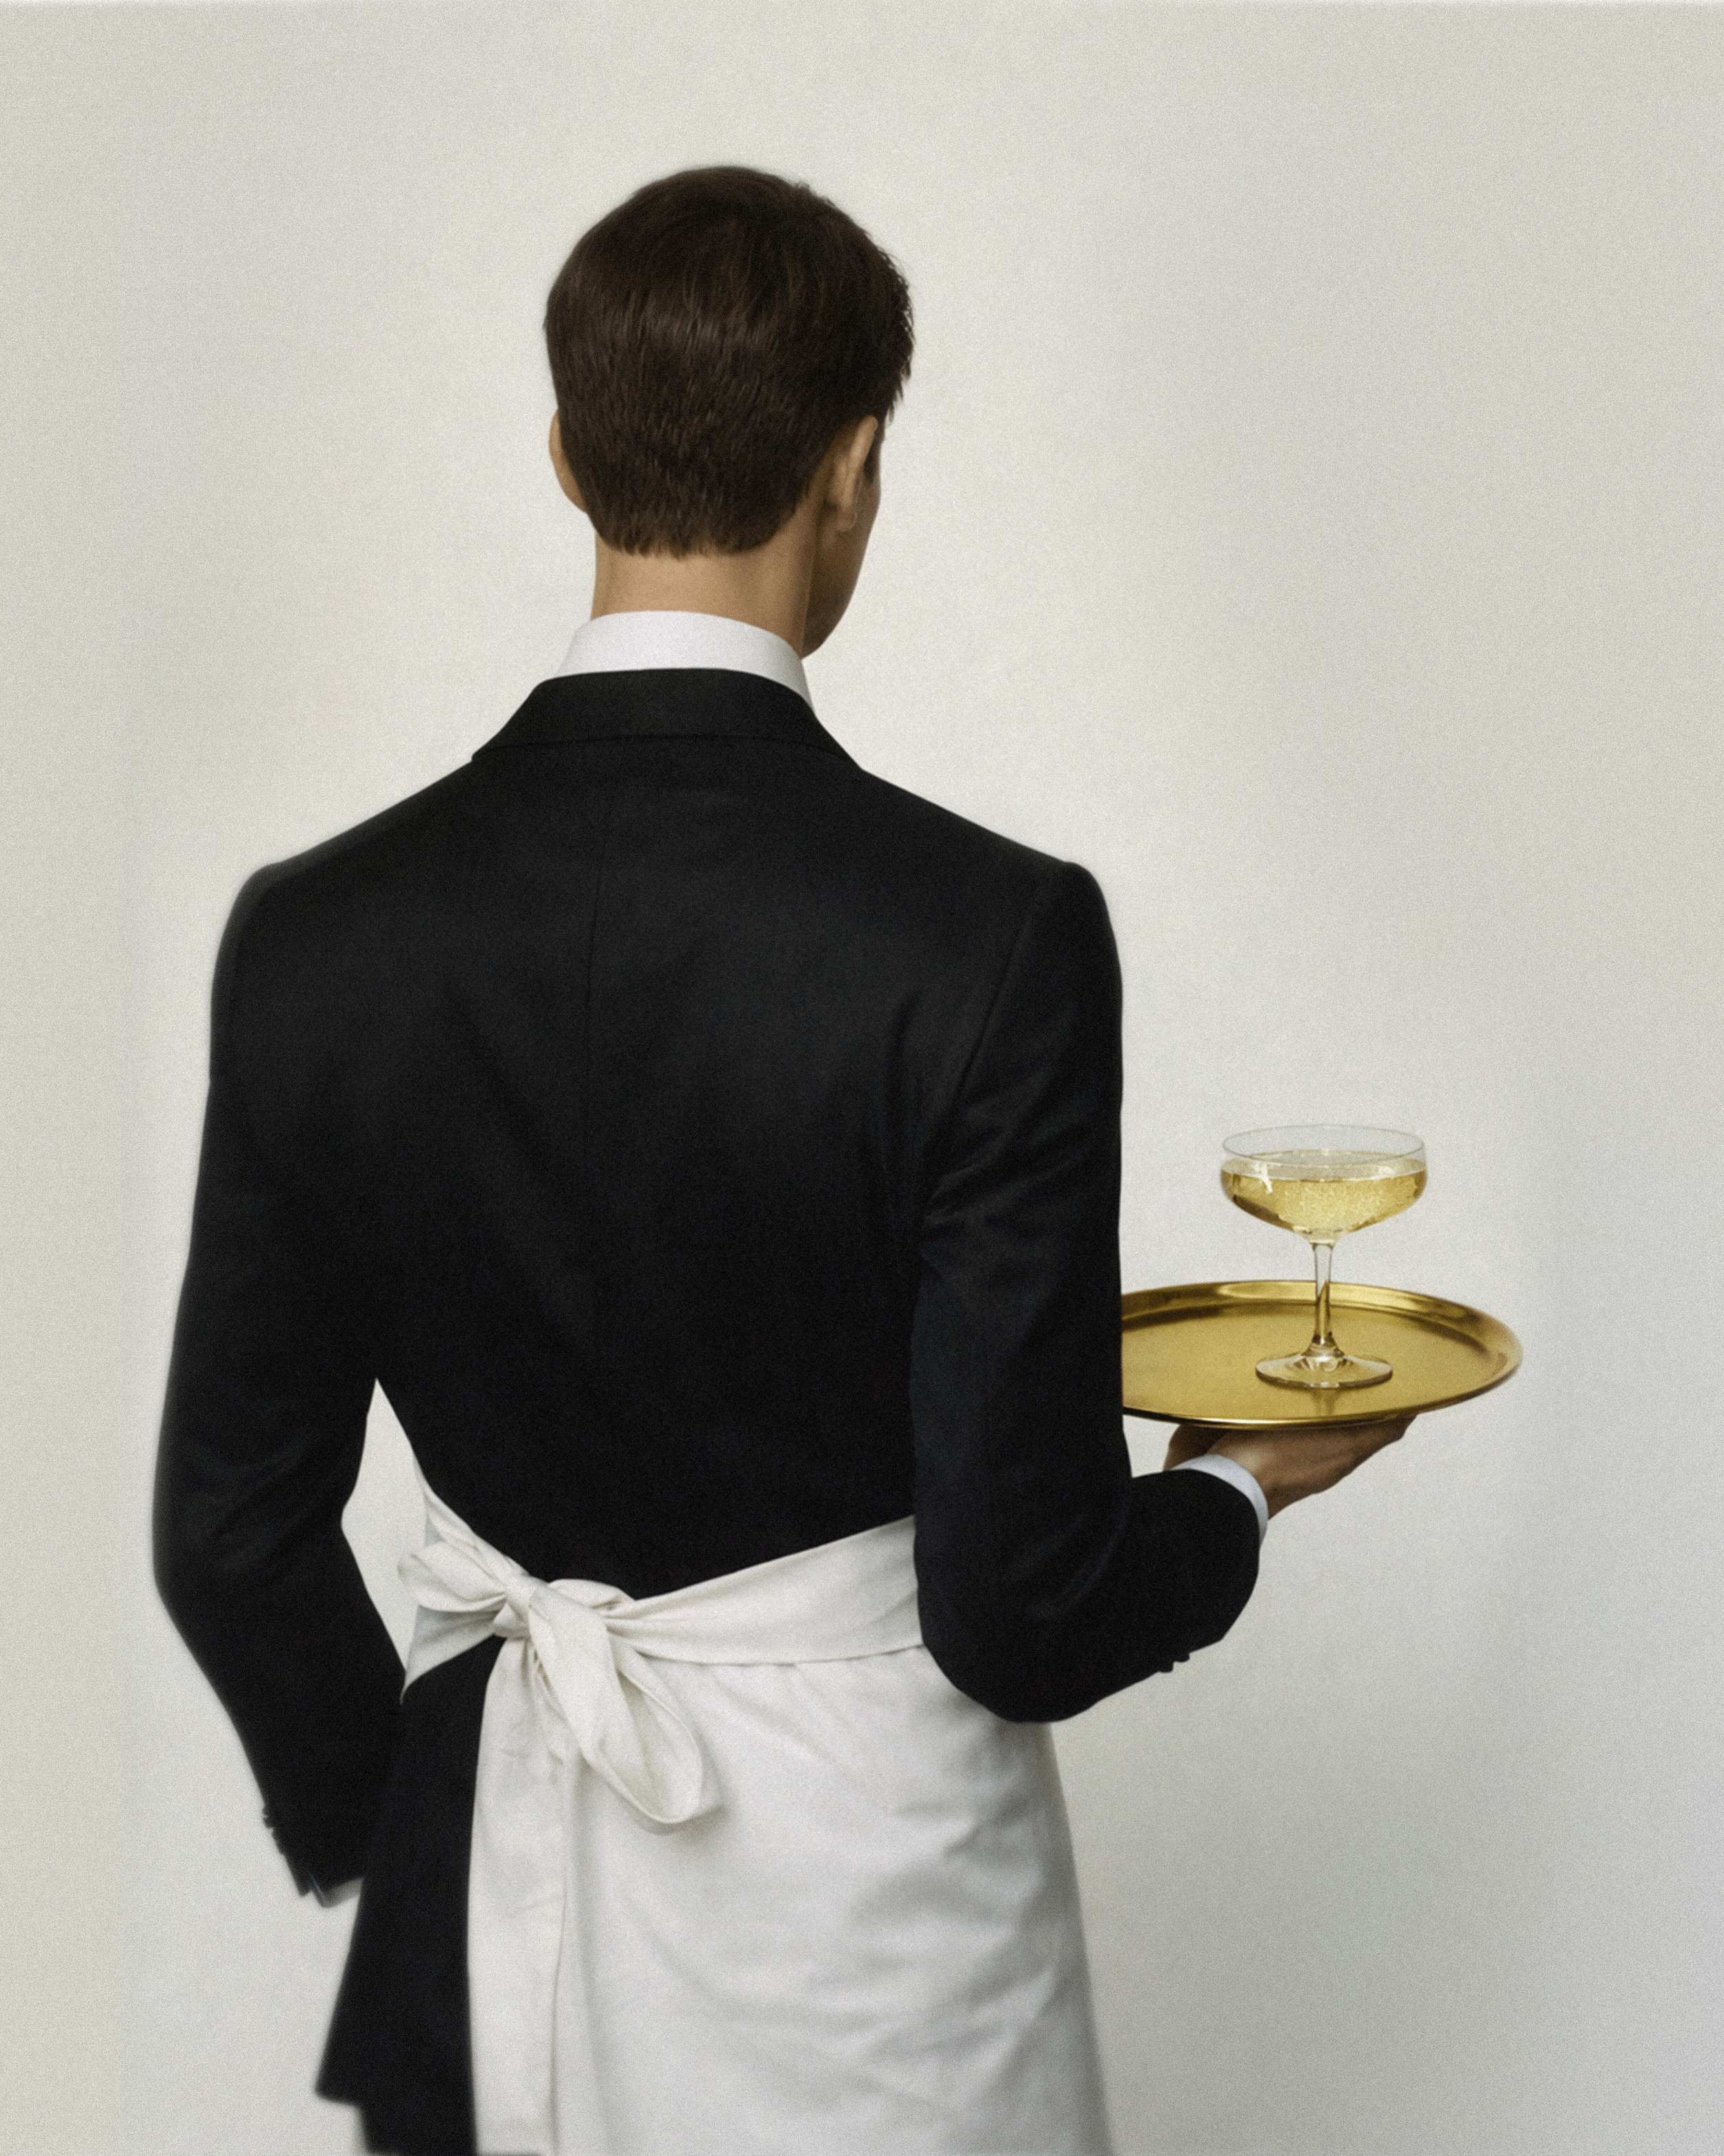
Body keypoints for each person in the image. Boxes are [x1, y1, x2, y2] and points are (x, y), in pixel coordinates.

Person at [153, 166, 1409, 2156]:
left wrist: (394, 1839)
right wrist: (1238, 1488)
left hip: (490, 1930)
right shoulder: (988, 935)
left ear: (563, 455)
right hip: (880, 1943)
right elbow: (1019, 1610)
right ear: (855, 468)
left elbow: (227, 1531)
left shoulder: (310, 934)